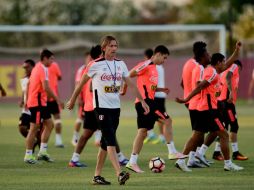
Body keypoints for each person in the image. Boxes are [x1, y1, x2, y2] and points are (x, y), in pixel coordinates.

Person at [67, 35, 149, 185]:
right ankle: (119, 173)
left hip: (115, 108)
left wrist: (143, 101)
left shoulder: (121, 64)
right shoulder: (95, 64)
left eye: (116, 46)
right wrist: (72, 99)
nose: (114, 48)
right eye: (111, 46)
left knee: (105, 143)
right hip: (101, 109)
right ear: (103, 48)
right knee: (110, 139)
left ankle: (96, 176)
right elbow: (81, 84)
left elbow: (131, 84)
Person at [176, 41, 244, 172]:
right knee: (223, 134)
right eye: (223, 62)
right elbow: (200, 86)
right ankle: (228, 164)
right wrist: (186, 98)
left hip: (204, 108)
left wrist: (236, 51)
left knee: (197, 136)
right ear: (218, 63)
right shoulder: (211, 72)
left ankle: (182, 160)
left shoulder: (212, 70)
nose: (225, 65)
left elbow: (228, 64)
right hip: (208, 110)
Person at [125, 45, 187, 174]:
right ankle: (172, 152)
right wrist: (124, 88)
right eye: (164, 58)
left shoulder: (154, 68)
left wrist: (159, 89)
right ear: (157, 54)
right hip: (146, 103)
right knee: (168, 121)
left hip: (146, 103)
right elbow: (130, 74)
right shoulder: (147, 64)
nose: (164, 61)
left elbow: (146, 86)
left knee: (142, 132)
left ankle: (132, 162)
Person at [68, 45, 129, 168]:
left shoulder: (97, 66)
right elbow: (90, 87)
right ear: (100, 54)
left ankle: (75, 159)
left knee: (99, 134)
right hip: (96, 106)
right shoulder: (97, 66)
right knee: (98, 134)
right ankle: (120, 159)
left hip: (94, 106)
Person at [24, 49, 63, 164]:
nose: (52, 61)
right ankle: (28, 155)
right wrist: (57, 100)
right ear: (45, 58)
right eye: (51, 59)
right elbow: (46, 87)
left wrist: (27, 100)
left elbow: (28, 84)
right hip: (37, 103)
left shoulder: (37, 68)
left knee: (49, 124)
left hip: (40, 102)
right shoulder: (43, 69)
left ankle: (42, 152)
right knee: (33, 129)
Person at [213, 60, 248, 161]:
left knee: (224, 128)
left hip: (222, 102)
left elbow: (219, 87)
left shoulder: (223, 72)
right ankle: (235, 153)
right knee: (234, 126)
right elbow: (228, 78)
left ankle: (216, 152)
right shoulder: (233, 67)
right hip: (227, 103)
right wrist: (231, 92)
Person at [142, 48, 166, 144]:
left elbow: (151, 83)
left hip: (155, 95)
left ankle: (157, 135)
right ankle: (156, 134)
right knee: (156, 115)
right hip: (160, 95)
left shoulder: (151, 66)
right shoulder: (159, 67)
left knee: (156, 116)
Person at [18, 59, 41, 152]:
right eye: (24, 67)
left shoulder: (37, 77)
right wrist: (22, 101)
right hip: (26, 109)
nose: (25, 69)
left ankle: (41, 152)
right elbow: (24, 91)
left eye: (27, 67)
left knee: (38, 131)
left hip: (36, 106)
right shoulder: (24, 79)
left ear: (33, 67)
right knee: (22, 128)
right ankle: (33, 141)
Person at [47, 59, 64, 147]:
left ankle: (42, 142)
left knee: (43, 121)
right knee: (57, 118)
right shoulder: (54, 65)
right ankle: (58, 141)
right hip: (52, 96)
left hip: (45, 98)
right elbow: (60, 77)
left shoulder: (39, 67)